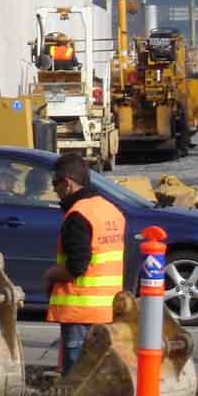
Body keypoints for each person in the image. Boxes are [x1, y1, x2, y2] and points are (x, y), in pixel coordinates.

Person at [43, 153, 126, 375]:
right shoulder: (112, 211)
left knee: (77, 379)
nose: (54, 190)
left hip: (80, 311)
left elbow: (77, 266)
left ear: (67, 184)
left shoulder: (77, 216)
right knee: (99, 375)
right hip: (107, 309)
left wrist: (51, 274)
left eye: (55, 184)